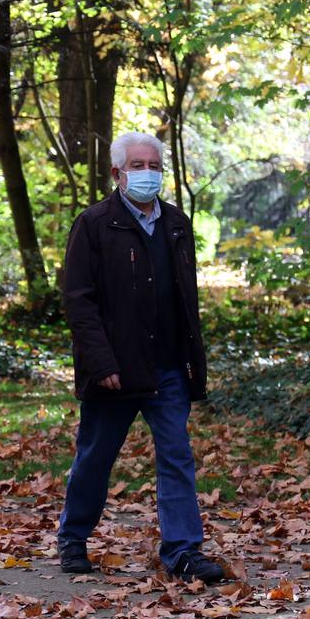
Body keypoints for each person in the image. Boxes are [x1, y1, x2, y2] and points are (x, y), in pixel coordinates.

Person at [56, 131, 225, 584]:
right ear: (117, 173)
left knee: (176, 455)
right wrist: (101, 362)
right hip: (114, 370)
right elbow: (78, 300)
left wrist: (193, 363)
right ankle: (73, 538)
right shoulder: (93, 224)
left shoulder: (176, 223)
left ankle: (182, 551)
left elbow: (184, 299)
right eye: (137, 165)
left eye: (154, 165)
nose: (147, 173)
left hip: (168, 367)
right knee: (95, 457)